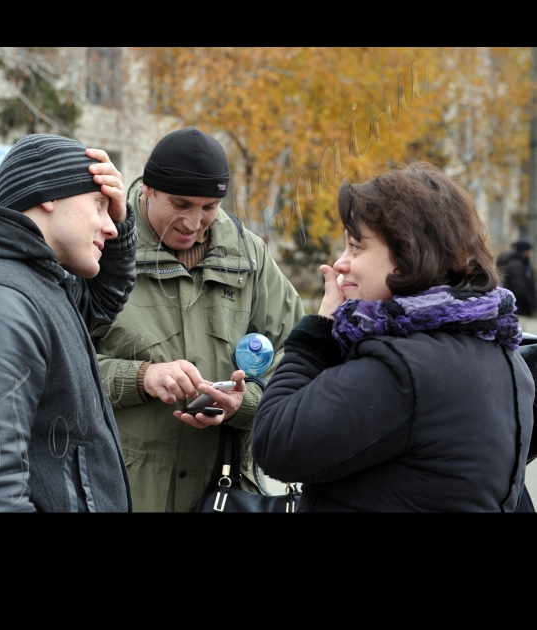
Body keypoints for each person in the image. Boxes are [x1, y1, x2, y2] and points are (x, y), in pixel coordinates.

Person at [252, 163, 534, 513]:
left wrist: (318, 331)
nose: (340, 263)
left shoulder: (402, 368)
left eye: (356, 246)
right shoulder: (501, 354)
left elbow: (275, 442)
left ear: (407, 257)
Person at [0, 135, 137, 513]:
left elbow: (100, 304)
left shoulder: (37, 283)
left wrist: (123, 221)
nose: (110, 225)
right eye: (98, 206)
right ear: (47, 195)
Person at [93, 128, 304, 513]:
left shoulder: (250, 255)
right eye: (181, 204)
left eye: (209, 207)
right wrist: (143, 378)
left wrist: (244, 402)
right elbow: (59, 366)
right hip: (123, 489)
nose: (194, 221)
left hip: (225, 492)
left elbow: (299, 358)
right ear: (148, 191)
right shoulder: (101, 248)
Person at [497, 239, 537, 317]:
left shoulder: (522, 263)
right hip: (519, 309)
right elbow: (518, 288)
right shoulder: (516, 265)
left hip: (521, 308)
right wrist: (529, 303)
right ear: (525, 251)